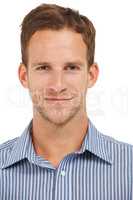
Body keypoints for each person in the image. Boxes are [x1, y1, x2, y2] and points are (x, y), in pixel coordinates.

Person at [0, 3, 132, 200]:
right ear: (24, 76)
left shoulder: (129, 170)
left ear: (91, 75)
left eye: (71, 67)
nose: (57, 85)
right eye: (44, 67)